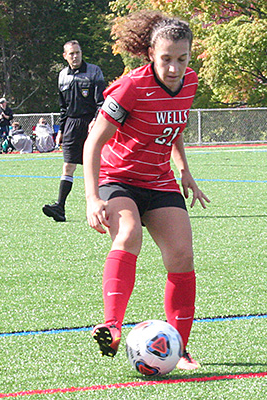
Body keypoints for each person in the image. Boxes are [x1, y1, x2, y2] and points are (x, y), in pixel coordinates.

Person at [83, 10, 210, 371]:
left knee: (182, 256)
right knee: (128, 233)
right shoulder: (130, 87)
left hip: (160, 180)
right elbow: (93, 144)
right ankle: (111, 325)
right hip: (118, 178)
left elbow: (176, 124)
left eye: (182, 59)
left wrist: (184, 170)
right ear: (151, 54)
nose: (174, 67)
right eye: (166, 59)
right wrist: (92, 197)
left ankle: (180, 349)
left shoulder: (189, 83)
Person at [42, 39, 106, 222]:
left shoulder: (94, 71)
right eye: (71, 54)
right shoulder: (62, 76)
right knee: (68, 166)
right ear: (65, 56)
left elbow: (101, 102)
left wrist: (96, 120)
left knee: (96, 167)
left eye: (77, 52)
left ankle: (109, 207)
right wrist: (61, 129)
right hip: (71, 124)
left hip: (91, 123)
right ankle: (60, 208)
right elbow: (63, 107)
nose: (75, 56)